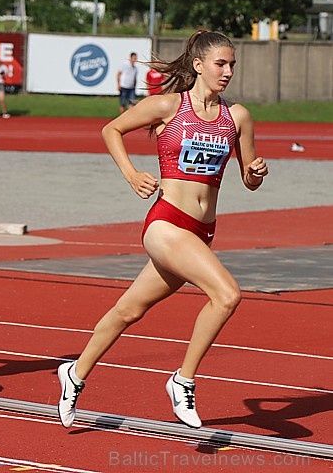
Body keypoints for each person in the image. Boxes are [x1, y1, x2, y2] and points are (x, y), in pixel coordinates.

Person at [57, 30, 268, 430]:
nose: (228, 71)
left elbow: (248, 179)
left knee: (129, 310)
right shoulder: (169, 106)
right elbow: (111, 130)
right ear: (198, 65)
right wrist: (132, 174)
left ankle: (75, 373)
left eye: (232, 65)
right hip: (167, 222)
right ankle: (182, 380)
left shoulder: (236, 116)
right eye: (221, 63)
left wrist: (256, 172)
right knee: (226, 295)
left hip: (202, 231)